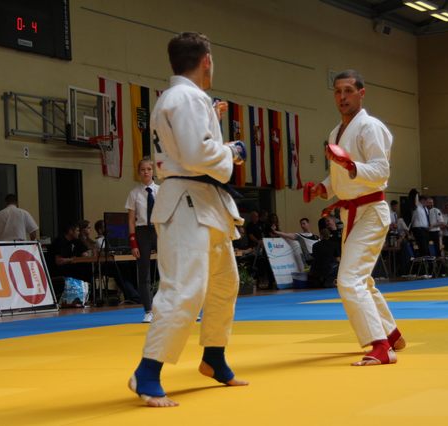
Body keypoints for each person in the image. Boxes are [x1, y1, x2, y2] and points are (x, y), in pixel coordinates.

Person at [128, 32, 248, 407]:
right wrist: (233, 150)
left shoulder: (185, 98)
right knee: (183, 288)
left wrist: (211, 119)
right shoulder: (186, 97)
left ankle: (213, 357)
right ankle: (147, 372)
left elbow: (190, 148)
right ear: (206, 60)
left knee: (224, 283)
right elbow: (198, 155)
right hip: (186, 202)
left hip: (204, 201)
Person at [303, 69, 405, 366]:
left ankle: (381, 346)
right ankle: (392, 333)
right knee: (362, 280)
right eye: (337, 91)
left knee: (349, 280)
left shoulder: (370, 127)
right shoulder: (335, 132)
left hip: (371, 211)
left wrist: (350, 166)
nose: (342, 97)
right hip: (351, 212)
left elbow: (381, 171)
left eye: (348, 90)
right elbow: (340, 176)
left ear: (362, 93)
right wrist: (323, 188)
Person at [126, 158, 159, 323]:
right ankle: (148, 310)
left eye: (149, 169)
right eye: (143, 170)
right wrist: (133, 243)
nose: (146, 172)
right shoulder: (134, 193)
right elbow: (131, 220)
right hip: (142, 232)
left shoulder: (161, 191)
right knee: (144, 272)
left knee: (170, 270)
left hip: (159, 230)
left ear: (153, 171)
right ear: (139, 172)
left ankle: (176, 308)